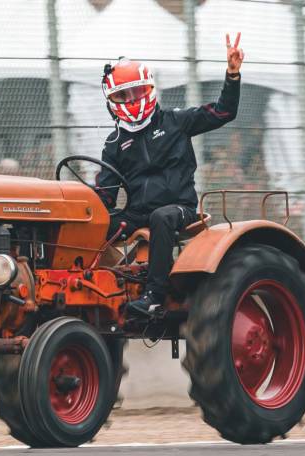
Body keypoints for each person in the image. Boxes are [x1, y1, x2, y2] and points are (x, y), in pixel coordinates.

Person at [96, 34, 244, 315]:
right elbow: (105, 195)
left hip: (179, 208)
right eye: (123, 95)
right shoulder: (114, 143)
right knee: (98, 224)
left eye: (138, 91)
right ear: (111, 100)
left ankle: (154, 296)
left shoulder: (176, 121)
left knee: (161, 217)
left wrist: (232, 75)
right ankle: (98, 291)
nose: (132, 99)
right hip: (137, 212)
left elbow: (223, 112)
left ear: (149, 89)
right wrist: (89, 212)